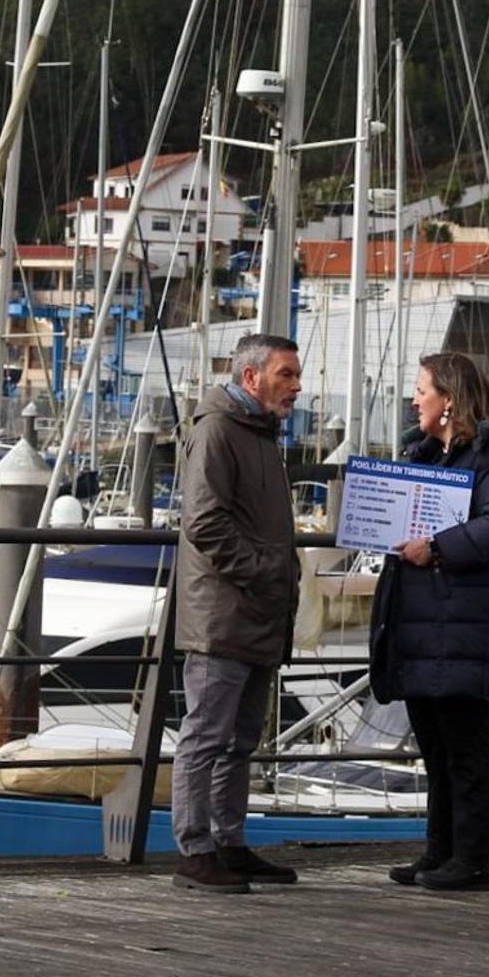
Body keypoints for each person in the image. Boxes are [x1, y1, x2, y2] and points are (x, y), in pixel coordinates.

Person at [369, 352, 489, 891]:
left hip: (464, 621)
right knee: (435, 746)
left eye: (422, 390)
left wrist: (436, 548)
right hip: (425, 621)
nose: (414, 399)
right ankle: (440, 852)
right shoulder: (423, 454)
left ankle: (472, 857)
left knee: (464, 744)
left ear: (450, 401)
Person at [172, 332, 303, 892]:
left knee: (240, 737)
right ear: (251, 378)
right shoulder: (219, 431)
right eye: (286, 375)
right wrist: (263, 571)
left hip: (256, 611)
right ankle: (194, 849)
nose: (297, 387)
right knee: (206, 734)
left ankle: (229, 841)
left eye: (297, 376)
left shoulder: (260, 433)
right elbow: (202, 522)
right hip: (224, 613)